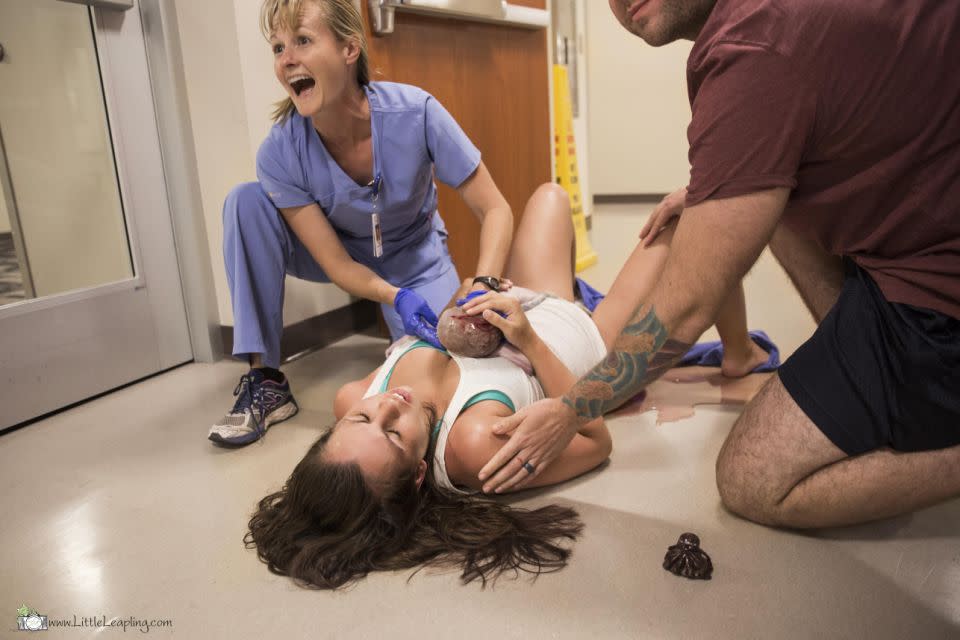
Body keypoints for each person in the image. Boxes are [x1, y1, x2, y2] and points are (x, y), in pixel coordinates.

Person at [476, 0, 960, 529]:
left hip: (937, 292)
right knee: (740, 209)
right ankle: (821, 368)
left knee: (750, 478)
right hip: (929, 221)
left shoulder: (752, 45)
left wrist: (570, 412)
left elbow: (684, 310)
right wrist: (724, 187)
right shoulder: (773, 32)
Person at [244, 181, 778, 588]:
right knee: (697, 223)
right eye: (393, 433)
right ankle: (738, 354)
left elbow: (420, 375)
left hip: (523, 305)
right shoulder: (473, 447)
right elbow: (595, 442)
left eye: (364, 417)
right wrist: (531, 342)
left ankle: (579, 291)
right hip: (579, 340)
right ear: (416, 476)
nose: (389, 403)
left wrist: (467, 303)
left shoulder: (352, 398)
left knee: (548, 194)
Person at [209, 0, 519, 446]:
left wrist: (485, 283)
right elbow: (336, 264)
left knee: (451, 363)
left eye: (302, 40)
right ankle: (265, 380)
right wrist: (394, 297)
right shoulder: (280, 151)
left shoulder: (416, 113)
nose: (286, 59)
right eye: (278, 47)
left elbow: (496, 209)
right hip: (339, 253)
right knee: (246, 201)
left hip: (415, 256)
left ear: (349, 48)